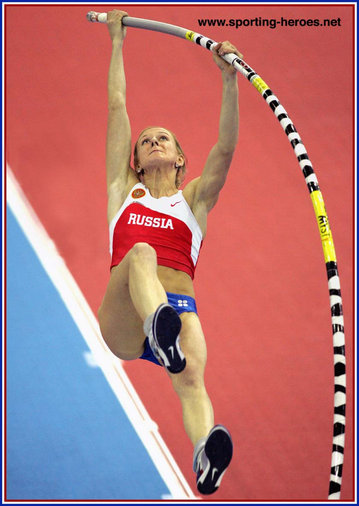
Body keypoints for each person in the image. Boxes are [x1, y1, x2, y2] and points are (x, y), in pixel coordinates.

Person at [98, 9, 241, 495]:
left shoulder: (195, 200)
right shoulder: (124, 191)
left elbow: (224, 149)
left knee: (194, 383)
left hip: (181, 312)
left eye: (164, 139)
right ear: (135, 160)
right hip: (126, 317)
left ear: (180, 158)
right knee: (140, 253)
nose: (152, 141)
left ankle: (205, 455)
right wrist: (117, 40)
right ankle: (159, 328)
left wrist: (229, 80)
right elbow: (118, 107)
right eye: (145, 141)